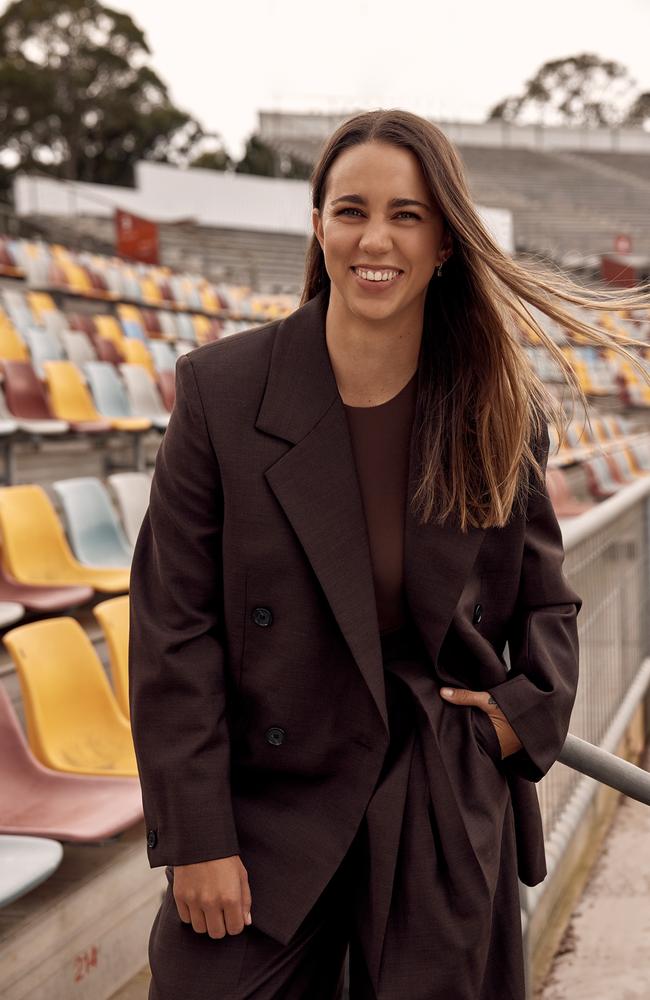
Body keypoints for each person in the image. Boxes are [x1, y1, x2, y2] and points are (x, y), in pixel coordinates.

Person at [128, 109, 650, 999]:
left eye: (407, 215)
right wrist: (198, 837)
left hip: (435, 800)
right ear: (320, 225)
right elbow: (174, 628)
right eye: (351, 210)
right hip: (267, 809)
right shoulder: (220, 392)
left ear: (445, 241)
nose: (377, 238)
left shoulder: (495, 411)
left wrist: (514, 720)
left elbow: (547, 605)